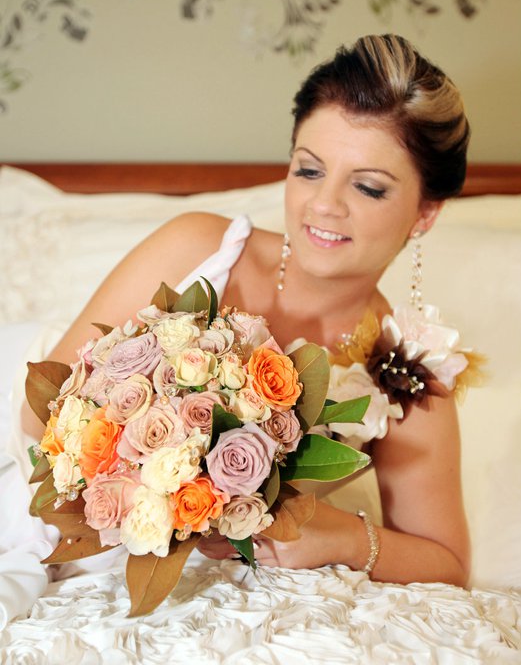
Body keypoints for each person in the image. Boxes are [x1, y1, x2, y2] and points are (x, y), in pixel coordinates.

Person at [22, 34, 471, 587]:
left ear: (425, 213)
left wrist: (345, 537)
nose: (324, 204)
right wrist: (155, 474)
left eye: (369, 187)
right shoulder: (199, 248)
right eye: (309, 170)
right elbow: (35, 416)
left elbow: (447, 562)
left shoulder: (405, 371)